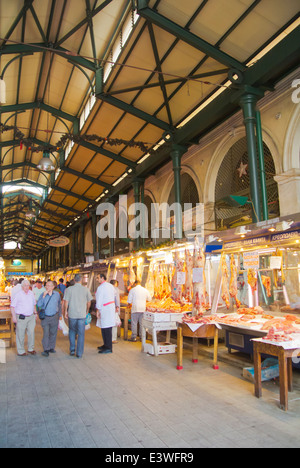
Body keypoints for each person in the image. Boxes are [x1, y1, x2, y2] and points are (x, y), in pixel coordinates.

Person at [63, 274, 92, 358]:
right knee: (81, 334)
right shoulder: (86, 289)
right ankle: (79, 353)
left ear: (74, 280)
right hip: (82, 315)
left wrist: (65, 312)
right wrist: (87, 310)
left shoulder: (69, 289)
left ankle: (72, 350)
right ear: (81, 280)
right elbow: (89, 302)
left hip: (72, 314)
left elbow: (66, 301)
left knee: (72, 331)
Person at [10, 279, 37, 356]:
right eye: (25, 285)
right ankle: (21, 350)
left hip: (31, 317)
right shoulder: (18, 295)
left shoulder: (31, 293)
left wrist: (35, 313)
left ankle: (31, 348)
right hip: (21, 317)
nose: (26, 287)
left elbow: (34, 304)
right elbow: (12, 307)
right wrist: (14, 317)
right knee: (20, 334)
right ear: (22, 286)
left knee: (31, 333)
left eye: (28, 285)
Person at [37, 281, 62, 357]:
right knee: (46, 334)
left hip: (54, 316)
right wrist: (44, 296)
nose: (47, 287)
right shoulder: (42, 294)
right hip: (45, 317)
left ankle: (51, 347)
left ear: (53, 287)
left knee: (53, 333)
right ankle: (46, 349)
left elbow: (59, 305)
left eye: (49, 285)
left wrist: (60, 315)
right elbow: (39, 304)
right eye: (46, 285)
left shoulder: (57, 294)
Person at [96, 274, 118, 354]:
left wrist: (98, 310)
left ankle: (109, 347)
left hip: (105, 308)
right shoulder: (110, 286)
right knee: (105, 327)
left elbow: (99, 299)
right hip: (109, 307)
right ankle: (105, 345)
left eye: (98, 278)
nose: (97, 279)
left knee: (106, 328)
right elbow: (115, 295)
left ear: (102, 278)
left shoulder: (101, 288)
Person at [110, 279, 120, 344]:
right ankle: (113, 339)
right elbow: (117, 300)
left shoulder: (107, 288)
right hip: (113, 308)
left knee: (109, 323)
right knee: (114, 324)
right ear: (115, 284)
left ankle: (108, 337)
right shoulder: (116, 289)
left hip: (108, 308)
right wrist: (117, 307)